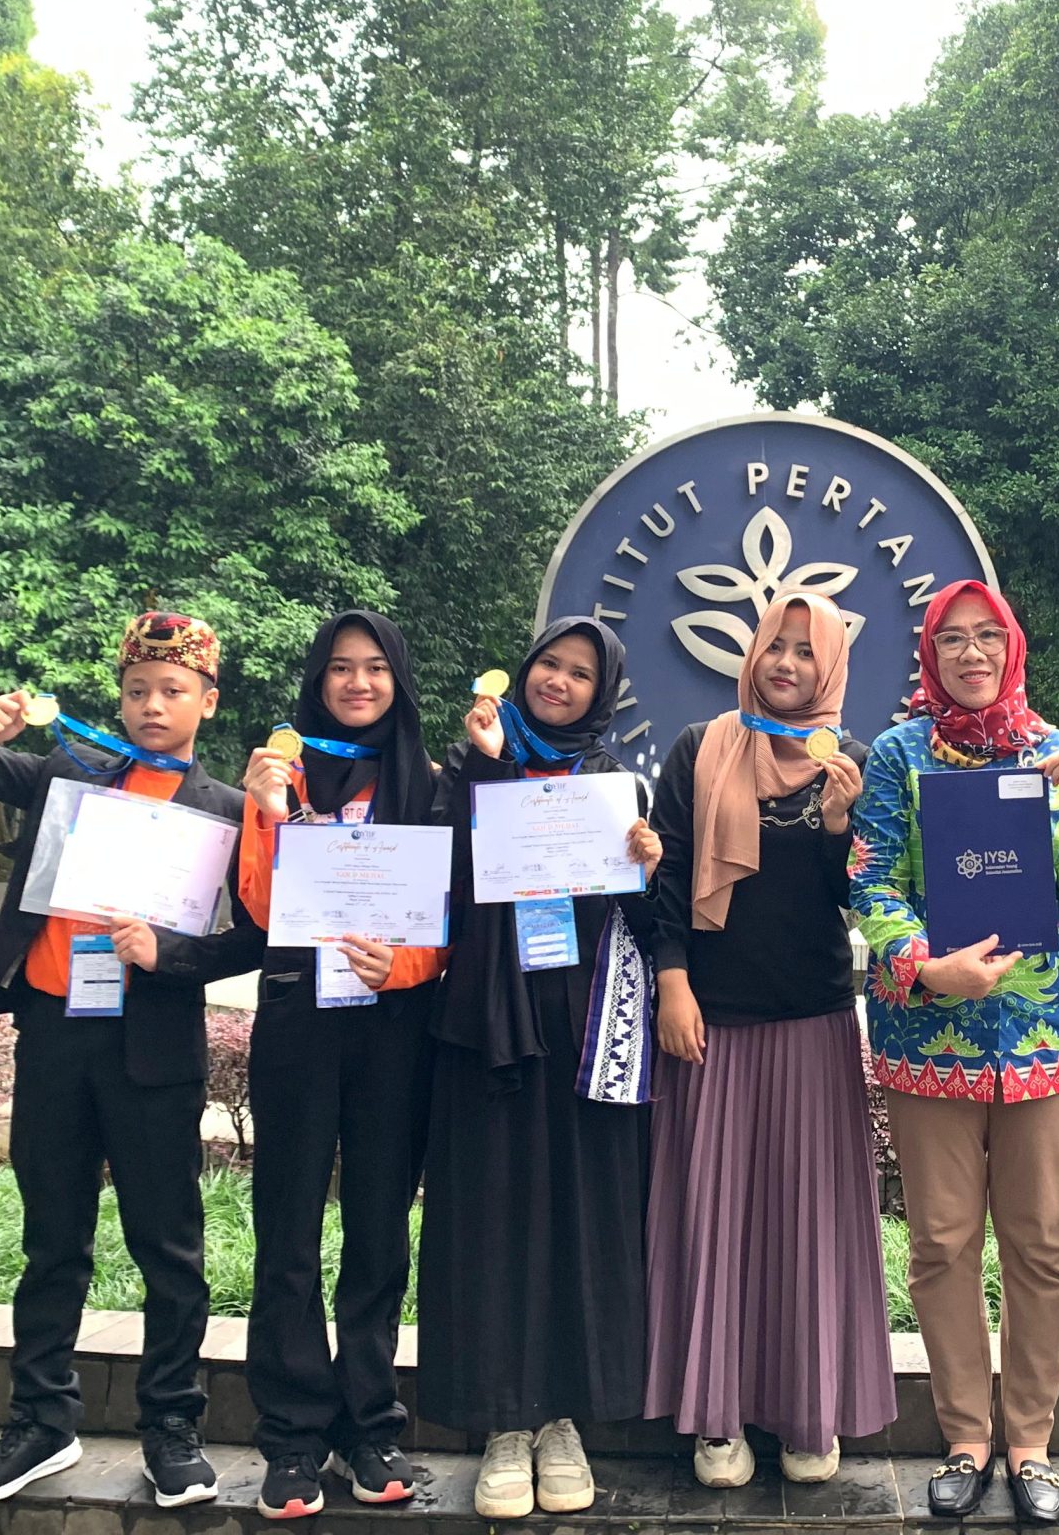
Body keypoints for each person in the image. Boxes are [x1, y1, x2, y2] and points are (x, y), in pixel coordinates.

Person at [0, 611, 244, 1510]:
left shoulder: (227, 810)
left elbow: (256, 935)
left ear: (206, 703)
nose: (152, 704)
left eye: (173, 690)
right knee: (52, 1240)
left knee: (168, 1248)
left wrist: (170, 956)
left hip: (154, 1046)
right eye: (138, 689)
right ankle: (40, 1422)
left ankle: (172, 1426)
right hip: (57, 1034)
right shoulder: (70, 772)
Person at [849, 580, 1059, 1526]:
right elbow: (871, 879)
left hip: (1042, 1038)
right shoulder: (896, 755)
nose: (972, 655)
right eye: (953, 641)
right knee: (941, 1243)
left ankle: (1032, 1442)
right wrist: (925, 968)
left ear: (1012, 647)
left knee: (1043, 1244)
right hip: (932, 1037)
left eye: (987, 638)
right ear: (931, 655)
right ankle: (967, 1436)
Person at [643, 589, 896, 1488]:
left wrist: (837, 826)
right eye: (775, 646)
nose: (785, 664)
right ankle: (715, 1420)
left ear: (829, 667)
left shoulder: (850, 763)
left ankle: (805, 1409)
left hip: (814, 1018)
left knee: (806, 1225)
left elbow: (858, 898)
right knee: (715, 1219)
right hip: (711, 1020)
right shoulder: (702, 748)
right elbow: (665, 875)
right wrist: (673, 983)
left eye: (804, 651)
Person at [418, 617, 665, 1521]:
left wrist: (648, 862)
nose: (559, 683)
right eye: (548, 667)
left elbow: (644, 916)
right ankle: (501, 1422)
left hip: (584, 1031)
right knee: (491, 1217)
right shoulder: (468, 768)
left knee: (579, 1217)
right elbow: (440, 877)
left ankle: (561, 1417)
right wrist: (485, 766)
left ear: (604, 693)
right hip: (489, 1030)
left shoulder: (614, 784)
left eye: (580, 674)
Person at [205, 611, 447, 1520]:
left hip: (396, 1027)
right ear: (317, 681)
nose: (357, 684)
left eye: (376, 668)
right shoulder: (284, 776)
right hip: (302, 1019)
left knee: (381, 1232)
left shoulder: (426, 782)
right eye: (341, 669)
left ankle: (372, 1422)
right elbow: (263, 910)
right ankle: (294, 1436)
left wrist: (410, 963)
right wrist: (265, 815)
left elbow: (450, 916)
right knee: (290, 1229)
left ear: (398, 681)